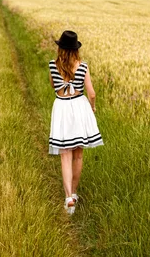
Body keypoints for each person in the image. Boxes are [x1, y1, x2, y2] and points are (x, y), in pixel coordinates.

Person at [48, 30, 103, 215]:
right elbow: (92, 94)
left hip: (62, 108)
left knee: (65, 155)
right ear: (75, 49)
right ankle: (74, 192)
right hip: (79, 108)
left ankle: (68, 197)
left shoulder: (52, 66)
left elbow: (54, 87)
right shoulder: (83, 66)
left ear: (60, 48)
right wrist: (92, 107)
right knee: (78, 155)